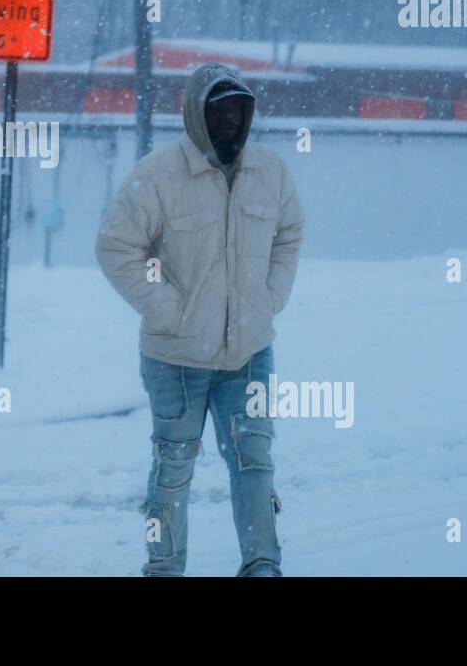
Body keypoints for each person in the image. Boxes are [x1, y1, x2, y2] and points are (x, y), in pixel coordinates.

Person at [95, 63, 304, 576]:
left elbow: (289, 233)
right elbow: (116, 247)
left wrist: (269, 297)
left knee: (253, 459)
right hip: (175, 356)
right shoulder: (157, 175)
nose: (231, 117)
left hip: (249, 352)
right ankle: (163, 567)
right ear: (196, 113)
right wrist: (169, 311)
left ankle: (262, 564)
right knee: (173, 464)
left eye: (239, 107)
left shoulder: (271, 171)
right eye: (220, 107)